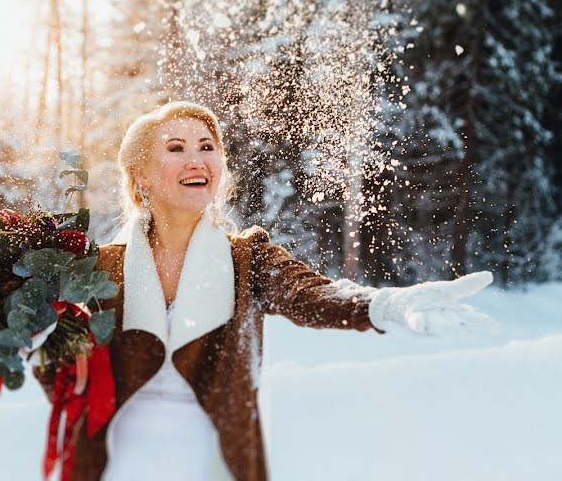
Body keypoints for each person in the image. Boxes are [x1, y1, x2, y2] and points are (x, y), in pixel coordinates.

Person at [35, 100, 493, 481]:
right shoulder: (97, 269)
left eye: (207, 147)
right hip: (117, 465)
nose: (197, 159)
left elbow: (314, 295)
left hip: (214, 464)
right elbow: (58, 371)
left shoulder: (247, 260)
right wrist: (26, 333)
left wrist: (383, 305)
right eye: (176, 148)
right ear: (140, 176)